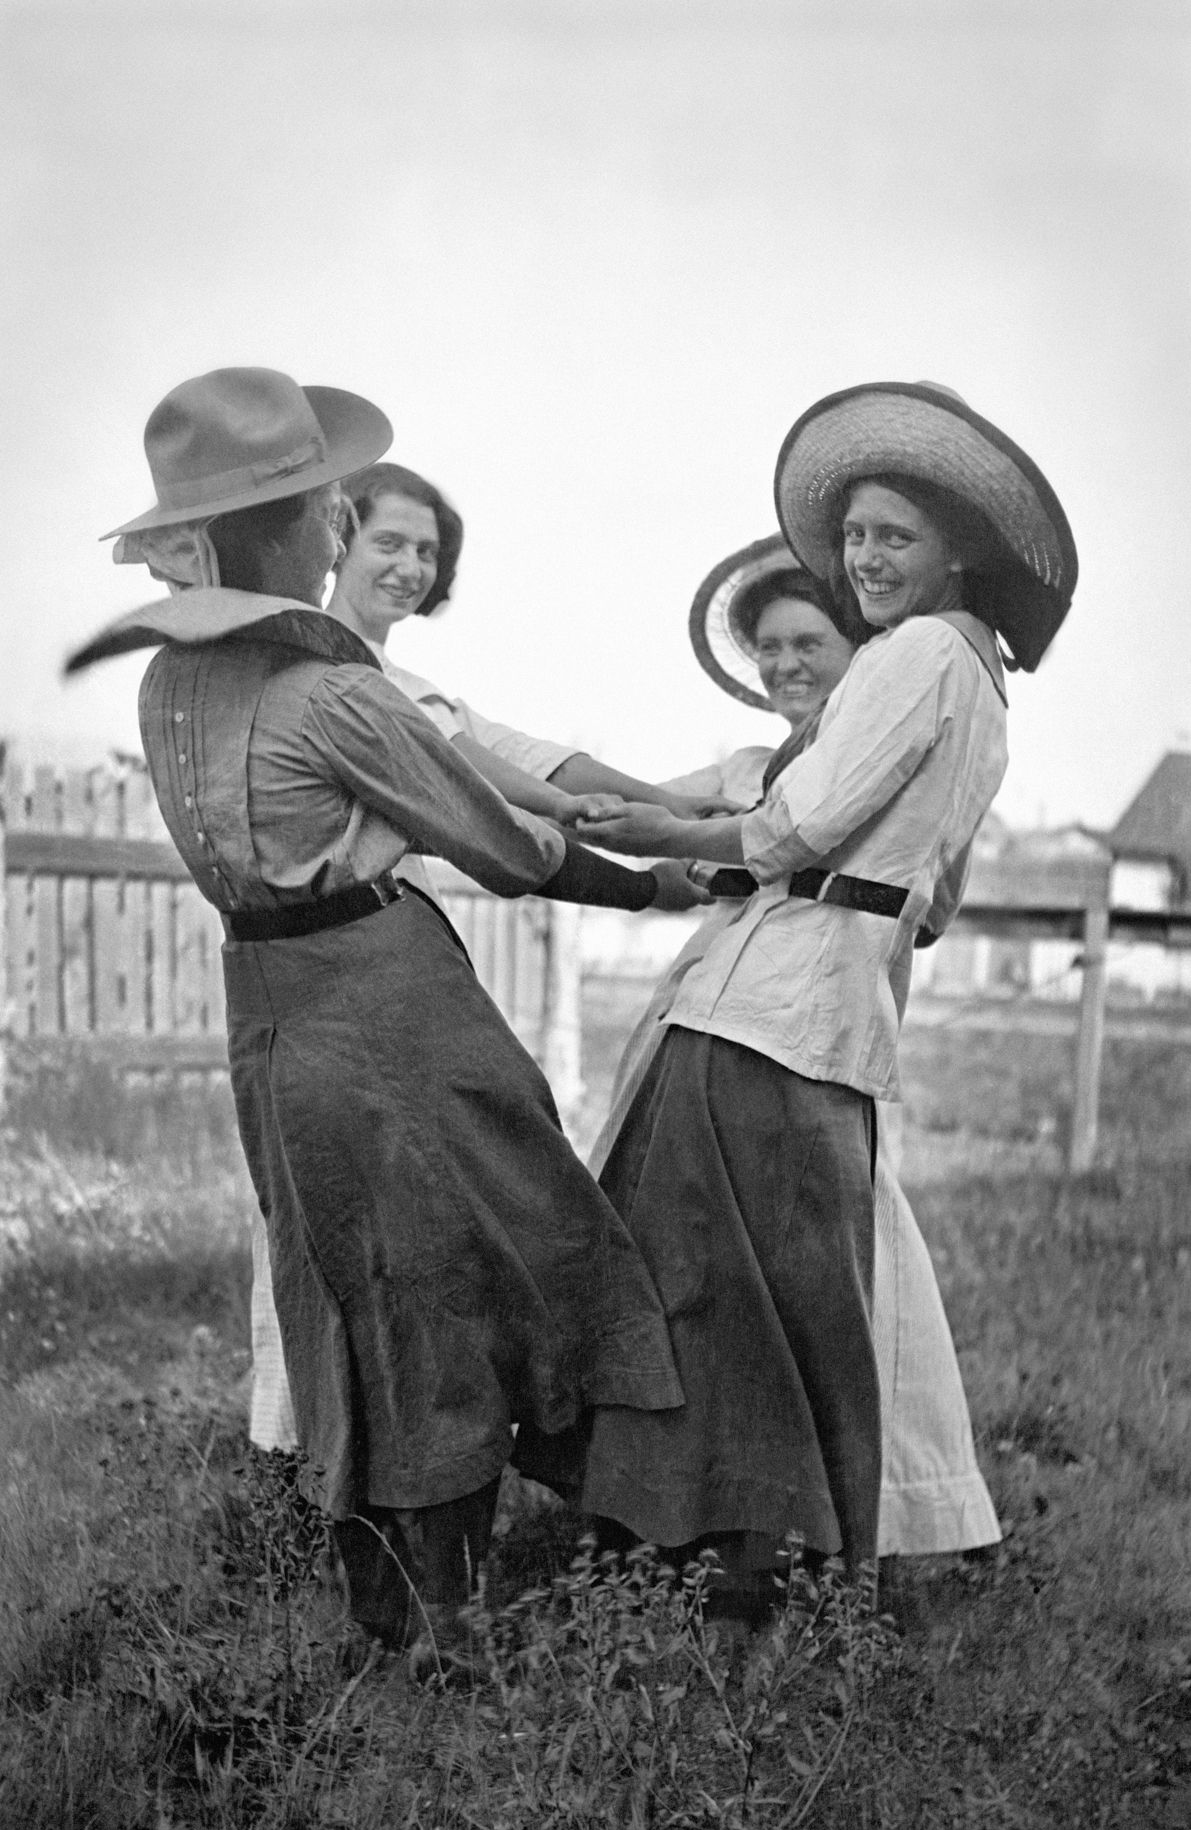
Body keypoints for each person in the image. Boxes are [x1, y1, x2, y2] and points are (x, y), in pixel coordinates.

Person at [67, 366, 687, 1665]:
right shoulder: (335, 695)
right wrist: (651, 886)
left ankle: (379, 1610)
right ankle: (462, 1622)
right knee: (465, 1274)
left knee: (334, 1289)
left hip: (269, 1015)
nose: (342, 531)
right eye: (326, 513)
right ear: (280, 533)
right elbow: (509, 848)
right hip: (387, 1000)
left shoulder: (167, 689)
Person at [575, 381, 1077, 1601]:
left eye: (894, 536)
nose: (867, 558)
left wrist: (654, 829)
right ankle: (737, 1542)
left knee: (724, 1285)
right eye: (854, 536)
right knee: (786, 1286)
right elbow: (927, 887)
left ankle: (740, 1554)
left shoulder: (918, 655)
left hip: (775, 1008)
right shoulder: (980, 683)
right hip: (821, 1004)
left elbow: (800, 817)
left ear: (957, 548)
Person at [241, 457, 717, 1453]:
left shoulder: (414, 687)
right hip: (315, 971)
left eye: (428, 550)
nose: (411, 566)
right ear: (333, 541)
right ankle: (306, 1457)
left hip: (390, 968)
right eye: (389, 542)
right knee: (323, 1216)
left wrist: (676, 814)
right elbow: (489, 801)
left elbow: (532, 763)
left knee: (417, 1213)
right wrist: (631, 867)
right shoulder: (307, 676)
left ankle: (421, 1447)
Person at [589, 533, 1001, 1558]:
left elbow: (879, 872)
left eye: (807, 640)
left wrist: (725, 847)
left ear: (858, 645)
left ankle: (790, 1540)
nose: (785, 666)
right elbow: (638, 804)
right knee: (732, 1273)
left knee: (799, 1290)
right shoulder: (767, 761)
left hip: (798, 1015)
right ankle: (707, 1528)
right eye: (768, 650)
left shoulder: (905, 705)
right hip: (756, 1004)